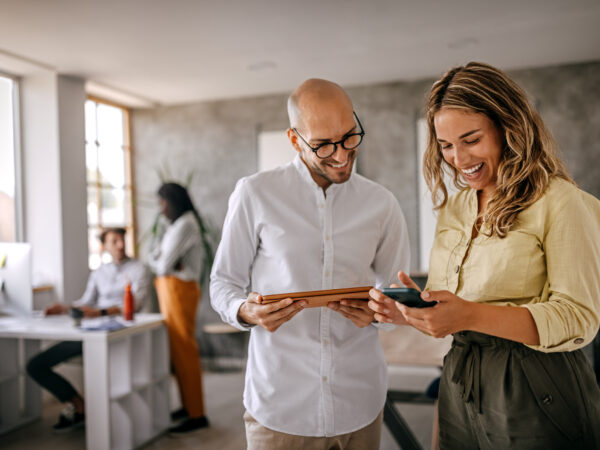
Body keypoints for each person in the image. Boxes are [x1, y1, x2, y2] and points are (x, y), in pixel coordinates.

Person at [369, 62, 600, 449]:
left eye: (471, 139)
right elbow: (452, 302)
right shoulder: (454, 207)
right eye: (445, 145)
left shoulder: (561, 202)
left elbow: (578, 318)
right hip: (460, 379)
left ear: (508, 128)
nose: (457, 158)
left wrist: (471, 314)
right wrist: (410, 312)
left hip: (537, 383)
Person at [210, 78, 410, 449]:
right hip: (281, 406)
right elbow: (223, 283)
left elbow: (395, 292)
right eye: (322, 145)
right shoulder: (255, 194)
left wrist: (386, 310)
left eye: (350, 136)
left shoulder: (382, 204)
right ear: (294, 140)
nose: (341, 154)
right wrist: (246, 311)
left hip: (360, 400)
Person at [27, 227, 149, 432]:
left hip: (119, 334)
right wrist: (64, 308)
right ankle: (78, 404)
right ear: (104, 246)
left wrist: (98, 312)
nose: (120, 245)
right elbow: (85, 302)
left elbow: (133, 306)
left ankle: (106, 421)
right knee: (35, 365)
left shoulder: (139, 269)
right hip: (91, 332)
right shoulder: (99, 273)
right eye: (114, 241)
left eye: (122, 240)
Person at [148, 182, 210, 434]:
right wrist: (162, 259)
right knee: (178, 350)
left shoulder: (185, 224)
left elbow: (160, 264)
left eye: (163, 202)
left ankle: (197, 414)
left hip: (179, 291)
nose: (161, 209)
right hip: (172, 290)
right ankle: (188, 407)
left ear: (173, 201)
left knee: (184, 350)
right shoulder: (176, 225)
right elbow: (159, 258)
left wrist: (160, 259)